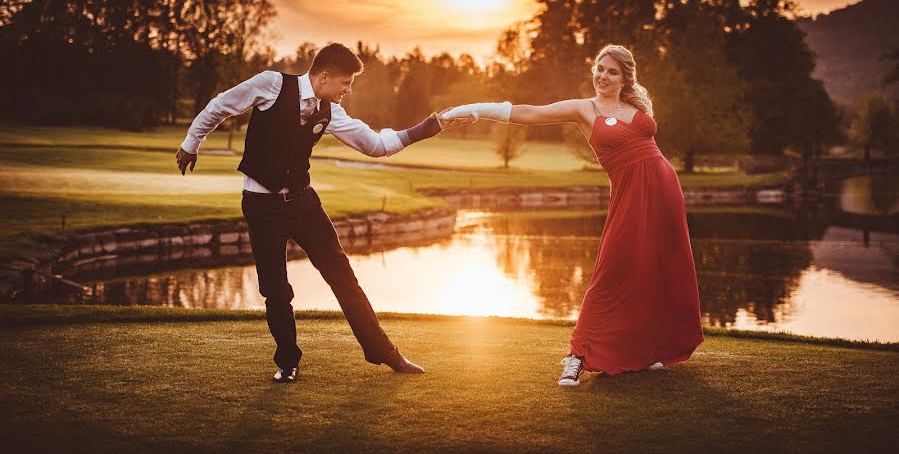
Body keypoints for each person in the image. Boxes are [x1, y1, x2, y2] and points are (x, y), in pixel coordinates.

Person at [176, 43, 466, 382]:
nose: (349, 89)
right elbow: (219, 107)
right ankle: (288, 362)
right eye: (345, 82)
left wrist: (431, 126)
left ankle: (384, 352)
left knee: (343, 277)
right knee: (276, 289)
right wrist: (190, 143)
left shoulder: (331, 112)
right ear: (324, 76)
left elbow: (376, 146)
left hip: (304, 204)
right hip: (261, 205)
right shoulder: (272, 84)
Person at [442, 44, 704, 386]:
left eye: (612, 71)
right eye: (599, 68)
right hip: (629, 193)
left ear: (625, 77)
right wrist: (476, 108)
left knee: (656, 266)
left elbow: (647, 150)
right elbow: (531, 113)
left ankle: (646, 349)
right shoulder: (584, 108)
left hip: (664, 189)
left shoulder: (634, 105)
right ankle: (577, 356)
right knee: (613, 269)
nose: (602, 76)